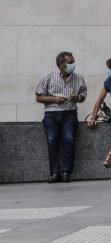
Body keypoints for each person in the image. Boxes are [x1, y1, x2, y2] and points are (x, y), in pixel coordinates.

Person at [35, 51, 87, 183]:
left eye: (73, 62)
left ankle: (66, 172)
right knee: (52, 141)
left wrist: (77, 97)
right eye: (70, 62)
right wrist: (54, 99)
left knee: (69, 139)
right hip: (51, 114)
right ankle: (55, 173)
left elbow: (83, 97)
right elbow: (39, 97)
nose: (73, 65)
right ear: (61, 63)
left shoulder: (78, 78)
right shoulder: (48, 76)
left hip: (69, 113)